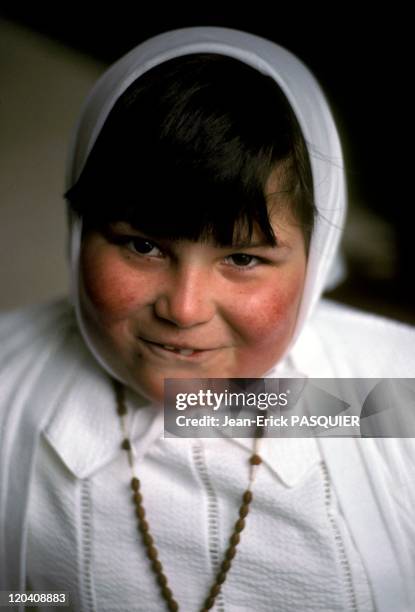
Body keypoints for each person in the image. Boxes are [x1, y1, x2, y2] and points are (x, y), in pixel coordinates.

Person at [0, 26, 414, 612]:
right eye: (143, 245)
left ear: (315, 257)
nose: (184, 309)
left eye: (243, 258)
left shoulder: (395, 394)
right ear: (80, 233)